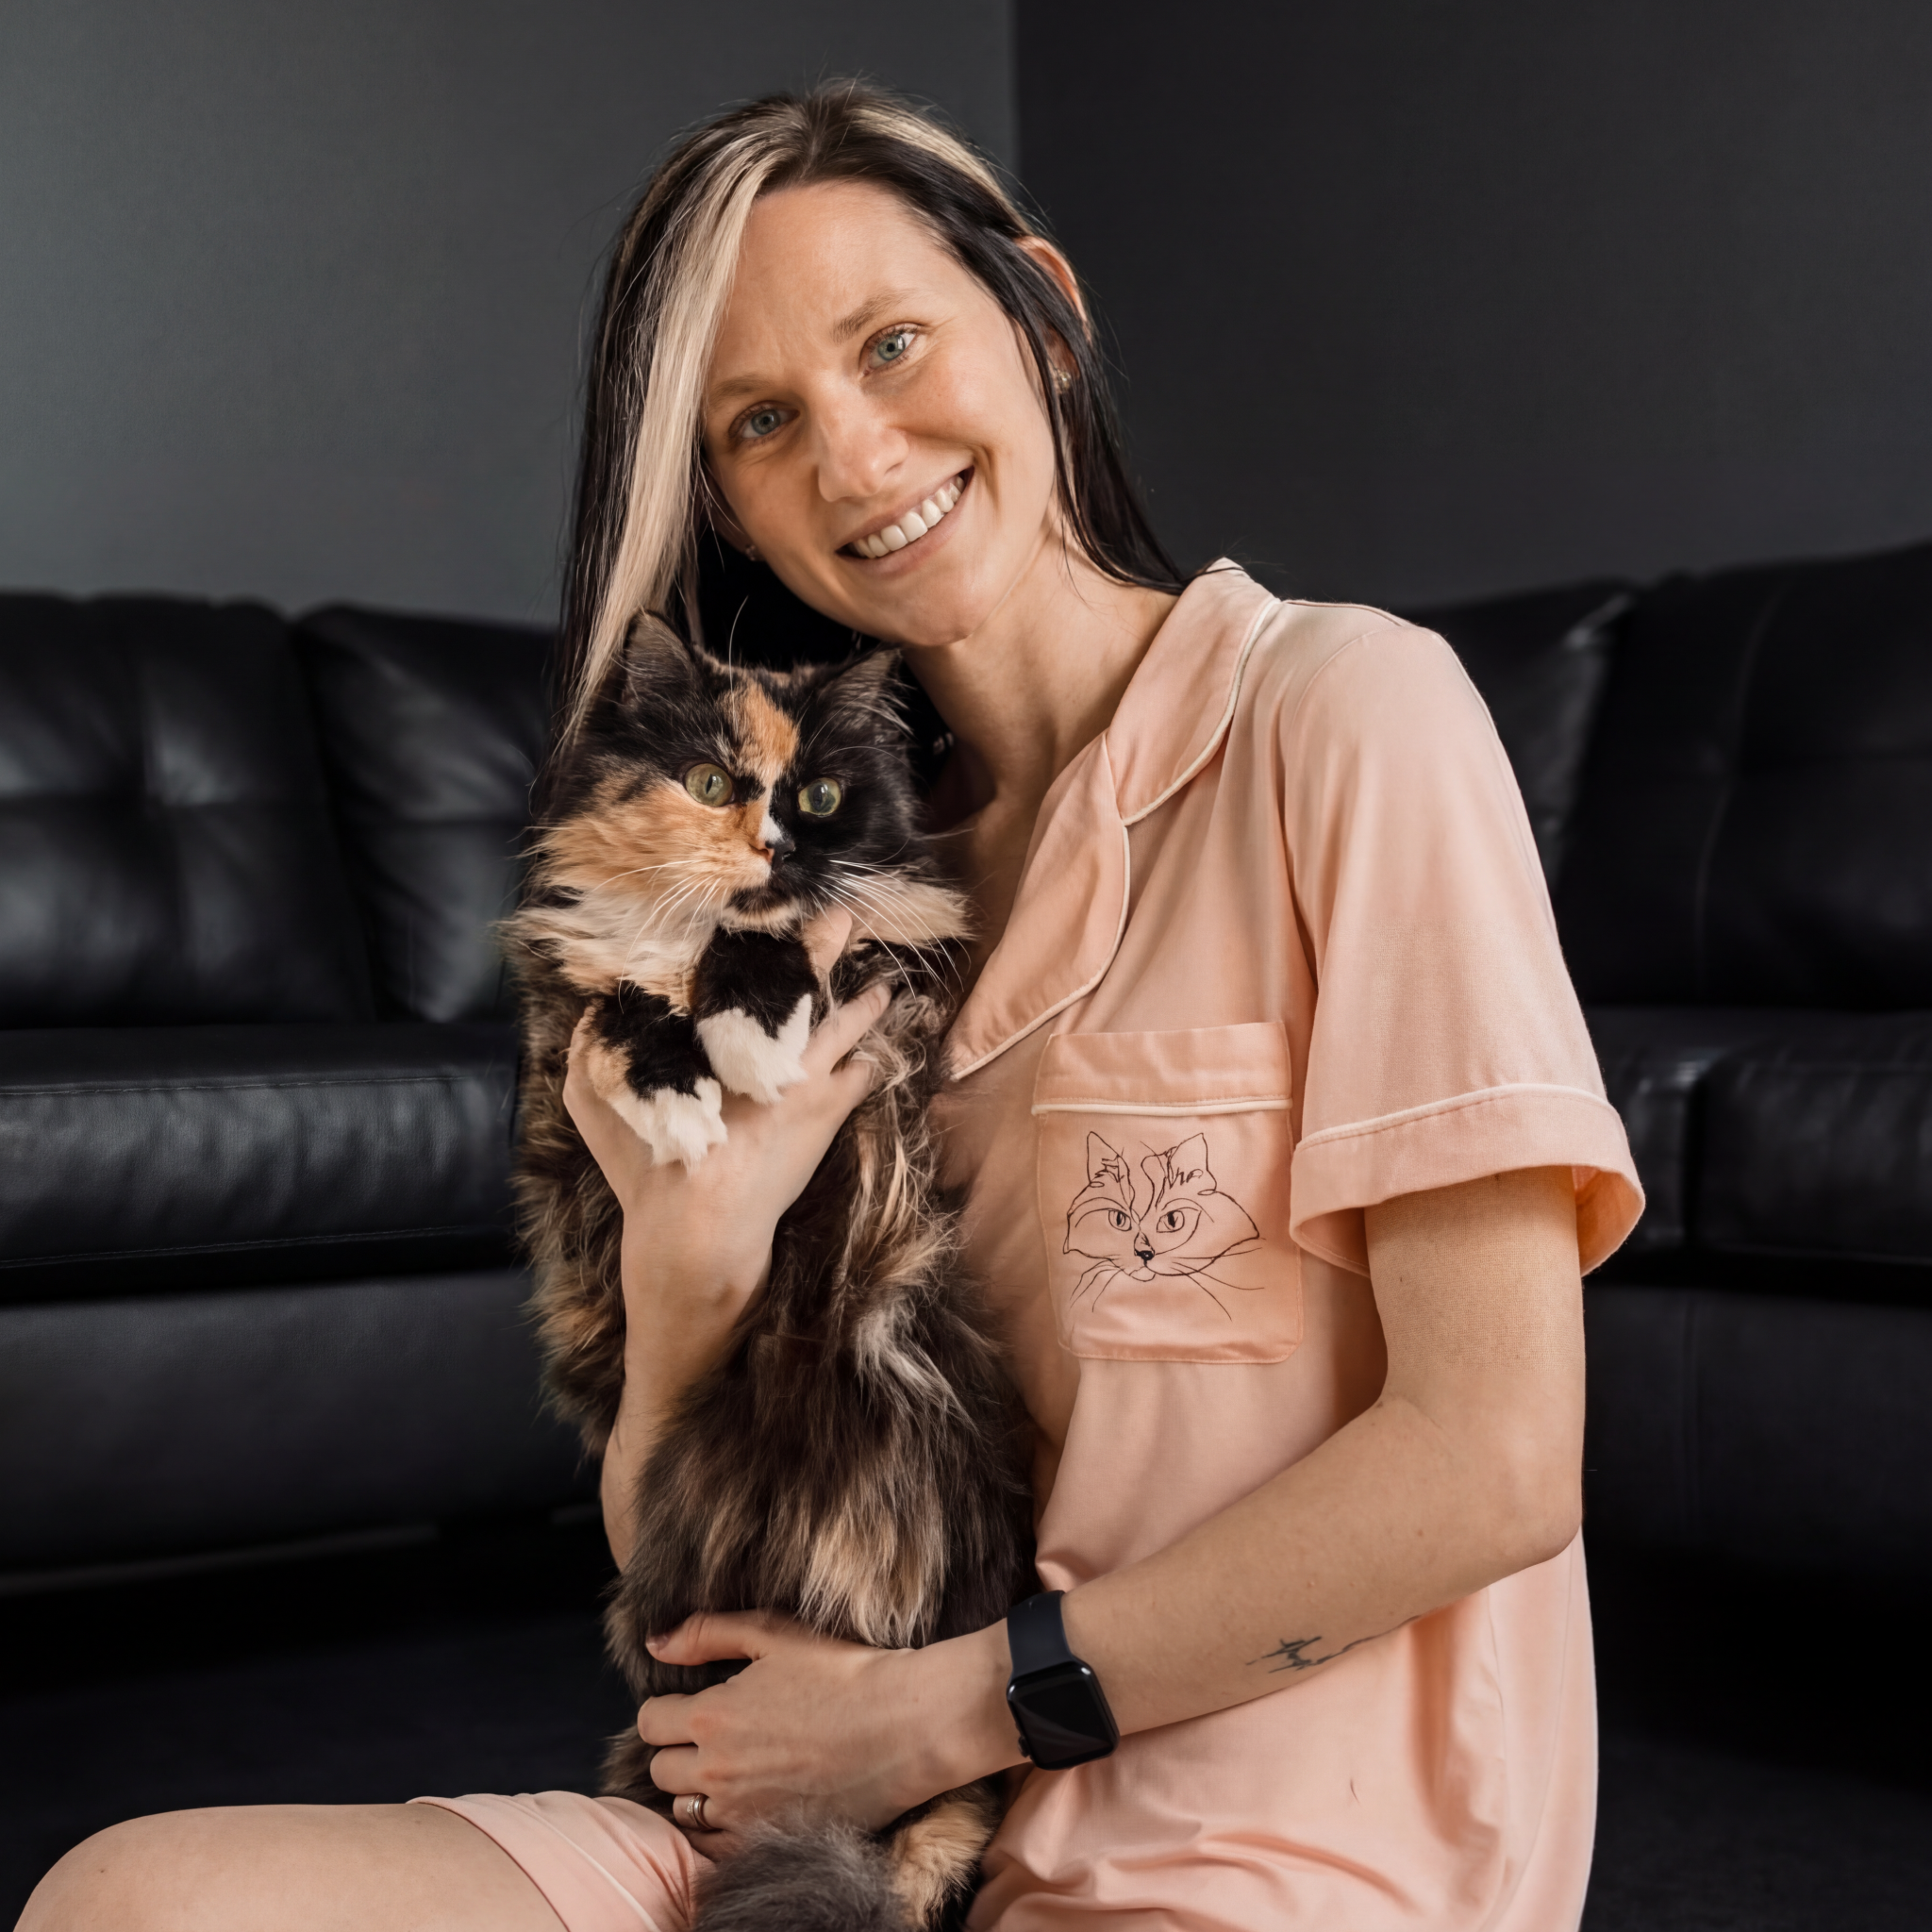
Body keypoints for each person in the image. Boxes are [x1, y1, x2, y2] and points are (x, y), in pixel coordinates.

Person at [23, 83, 1641, 1932]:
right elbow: (686, 1554)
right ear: (721, 496)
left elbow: (1495, 1461)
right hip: (851, 1842)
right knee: (133, 1898)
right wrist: (687, 1265)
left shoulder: (1342, 713)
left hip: (1260, 1854)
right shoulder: (810, 895)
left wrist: (944, 1710)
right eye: (761, 422)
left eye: (890, 344)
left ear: (1042, 317)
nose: (857, 460)